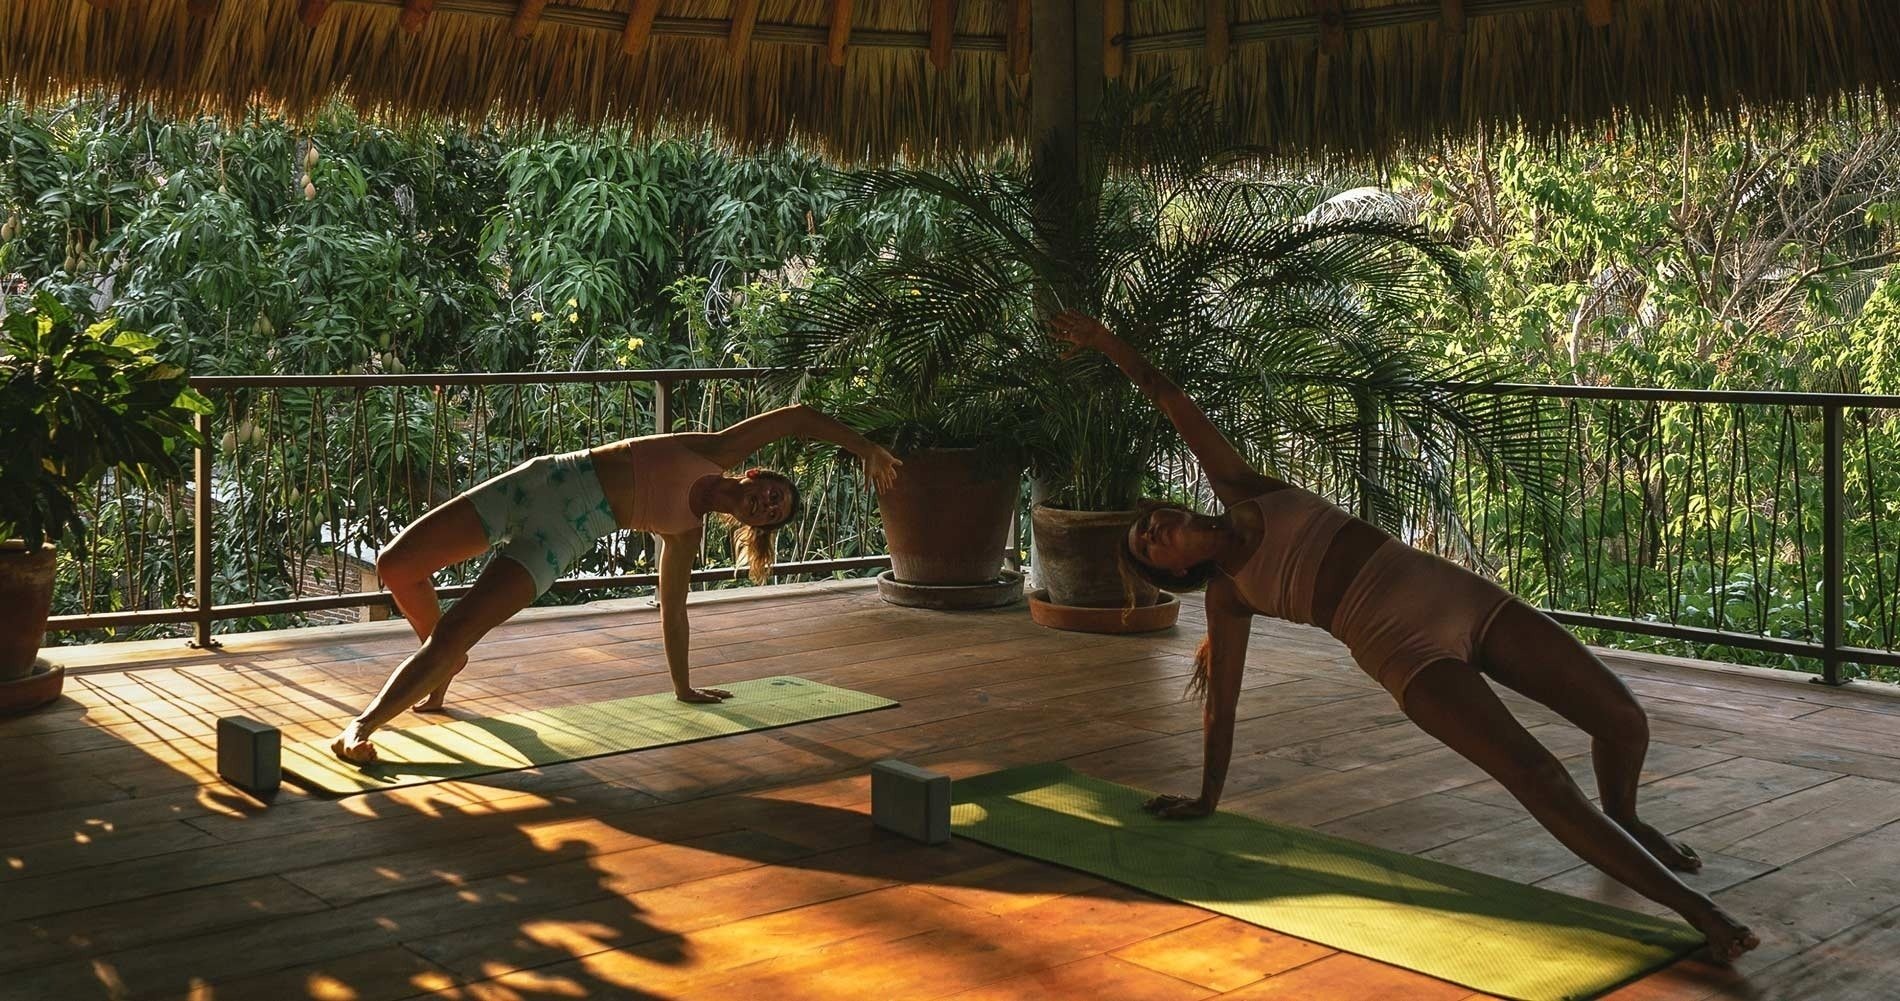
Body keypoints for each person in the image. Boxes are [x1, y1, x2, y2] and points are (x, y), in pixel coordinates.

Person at [1047, 310, 1759, 962]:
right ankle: (1696, 910)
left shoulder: (1243, 485)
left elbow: (1170, 398)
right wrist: (1206, 796)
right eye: (1150, 544)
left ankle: (1625, 813)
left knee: (1623, 718)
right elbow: (1221, 707)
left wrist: (1106, 343)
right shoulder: (1232, 597)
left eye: (1149, 520)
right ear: (1176, 569)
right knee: (1539, 777)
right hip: (1407, 658)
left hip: (1462, 599)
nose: (1156, 528)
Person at [330, 404, 900, 766]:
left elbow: (672, 612)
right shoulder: (715, 448)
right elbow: (798, 416)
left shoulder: (684, 534)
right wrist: (865, 448)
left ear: (753, 524)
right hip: (540, 482)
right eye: (773, 495)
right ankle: (442, 661)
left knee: (457, 630)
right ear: (755, 475)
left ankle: (363, 724)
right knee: (395, 563)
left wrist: (683, 687)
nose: (767, 506)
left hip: (557, 543)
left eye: (771, 515)